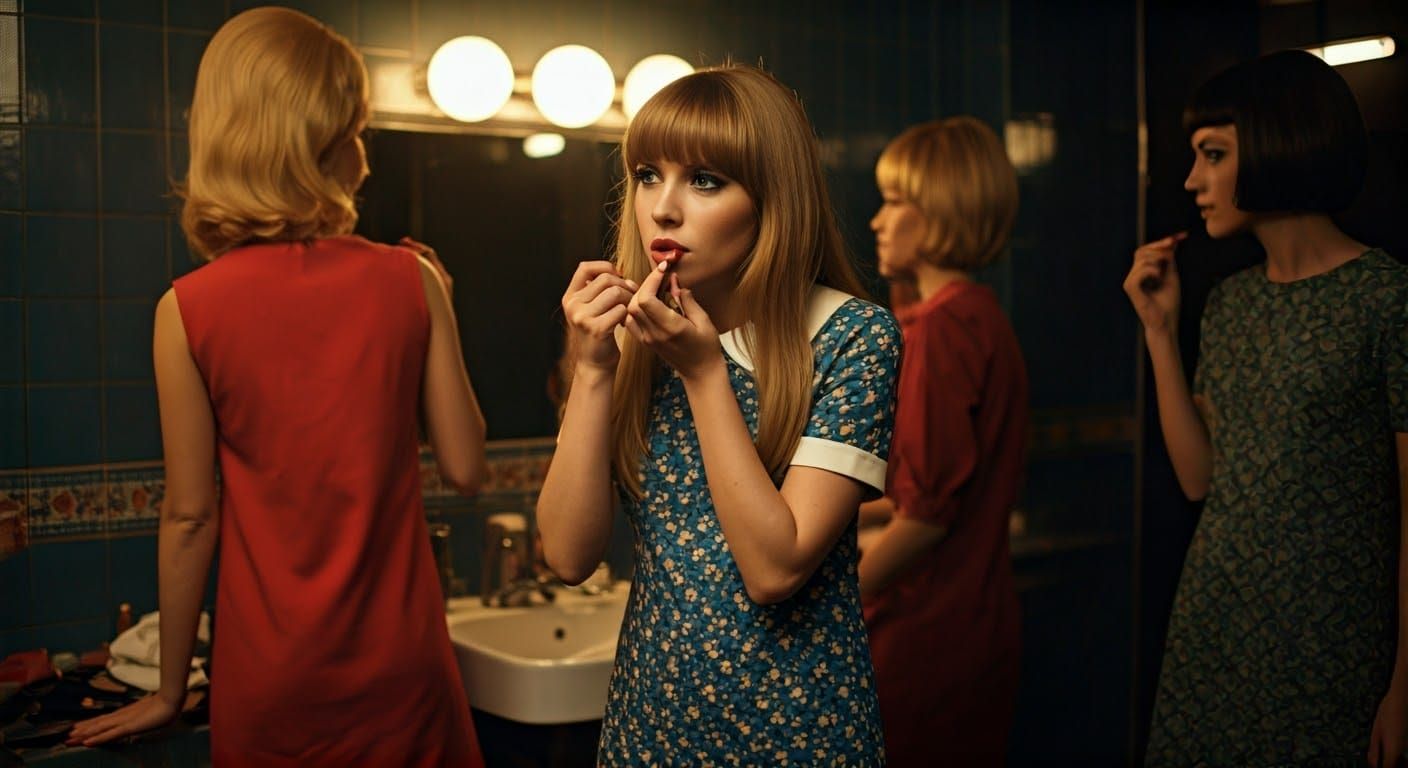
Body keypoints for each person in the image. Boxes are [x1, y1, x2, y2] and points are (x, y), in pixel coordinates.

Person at [66, 8, 487, 766]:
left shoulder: (184, 310)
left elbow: (191, 517)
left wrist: (167, 694)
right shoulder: (410, 280)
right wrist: (437, 306)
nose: (364, 150)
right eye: (354, 128)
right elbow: (465, 467)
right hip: (402, 678)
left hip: (269, 687)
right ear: (317, 145)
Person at [536, 65, 900, 765]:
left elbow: (775, 569)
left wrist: (705, 375)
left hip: (798, 735)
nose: (663, 208)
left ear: (772, 199)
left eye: (705, 180)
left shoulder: (853, 337)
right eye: (648, 174)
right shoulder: (634, 338)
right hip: (650, 729)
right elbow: (567, 557)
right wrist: (590, 371)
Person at [1124, 50, 1408, 767]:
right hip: (1215, 619)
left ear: (1281, 145)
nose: (1191, 181)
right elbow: (1199, 479)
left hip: (1330, 640)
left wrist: (1404, 685)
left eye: (1212, 155)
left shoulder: (1387, 298)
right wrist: (1160, 332)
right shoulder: (1233, 302)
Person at [856, 116, 1029, 765]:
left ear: (940, 211)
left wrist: (837, 598)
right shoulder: (981, 315)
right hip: (974, 628)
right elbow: (927, 492)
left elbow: (926, 516)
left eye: (896, 202)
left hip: (926, 637)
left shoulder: (944, 326)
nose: (878, 220)